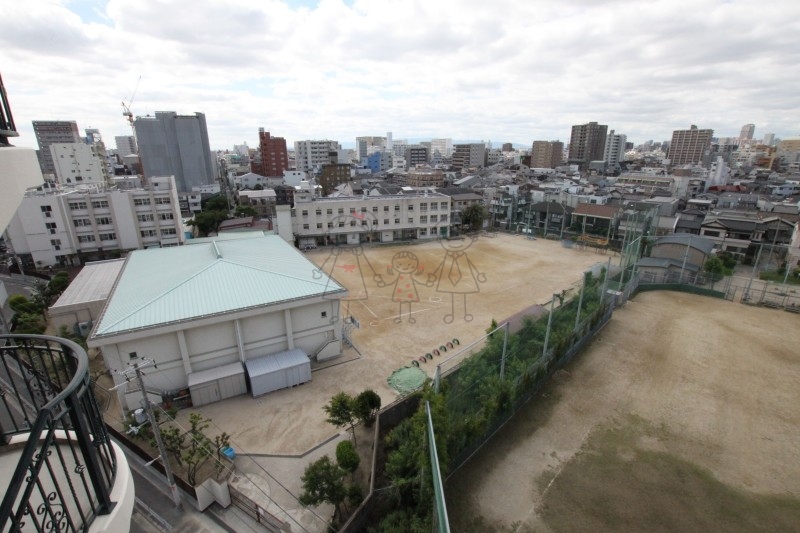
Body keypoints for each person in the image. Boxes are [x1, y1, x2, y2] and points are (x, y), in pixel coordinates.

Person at [430, 233, 486, 323]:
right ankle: (452, 314)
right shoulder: (448, 255)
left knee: (463, 295)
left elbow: (470, 264)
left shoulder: (463, 255)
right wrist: (434, 274)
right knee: (453, 296)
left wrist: (478, 274)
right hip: (451, 278)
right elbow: (442, 264)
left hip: (460, 279)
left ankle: (465, 314)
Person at [378, 251, 433, 323]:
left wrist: (426, 282)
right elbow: (393, 282)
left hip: (409, 292)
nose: (405, 267)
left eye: (409, 265)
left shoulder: (409, 276)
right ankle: (401, 318)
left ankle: (410, 317)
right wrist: (384, 283)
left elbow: (417, 281)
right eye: (399, 265)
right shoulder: (401, 275)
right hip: (401, 292)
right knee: (401, 304)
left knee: (408, 304)